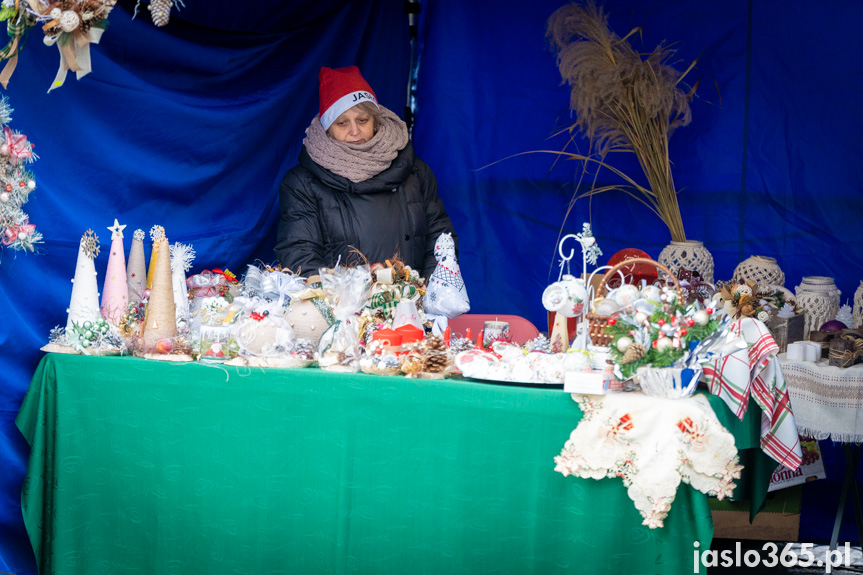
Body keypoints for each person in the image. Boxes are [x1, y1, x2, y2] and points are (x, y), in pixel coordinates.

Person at [275, 65, 457, 281]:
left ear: (376, 121)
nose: (354, 131)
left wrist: (425, 292)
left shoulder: (415, 171)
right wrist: (352, 301)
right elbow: (299, 255)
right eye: (342, 123)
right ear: (326, 129)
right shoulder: (302, 183)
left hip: (412, 306)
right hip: (343, 310)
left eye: (362, 120)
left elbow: (441, 240)